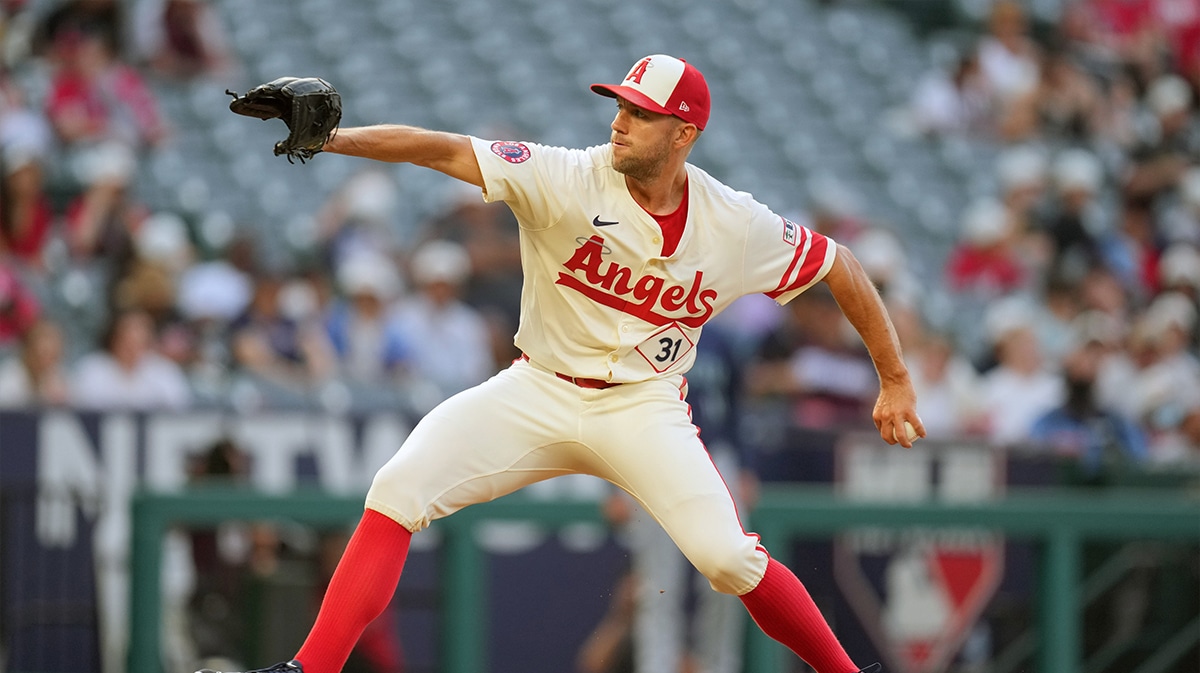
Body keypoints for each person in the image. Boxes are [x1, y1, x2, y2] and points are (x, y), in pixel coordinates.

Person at [202, 54, 920, 673]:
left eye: (639, 113)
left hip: (643, 407)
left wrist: (893, 376)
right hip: (536, 388)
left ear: (683, 134)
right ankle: (309, 667)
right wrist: (332, 140)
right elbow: (442, 149)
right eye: (619, 106)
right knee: (399, 485)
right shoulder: (567, 176)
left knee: (728, 558)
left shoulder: (734, 222)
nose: (618, 122)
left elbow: (841, 264)